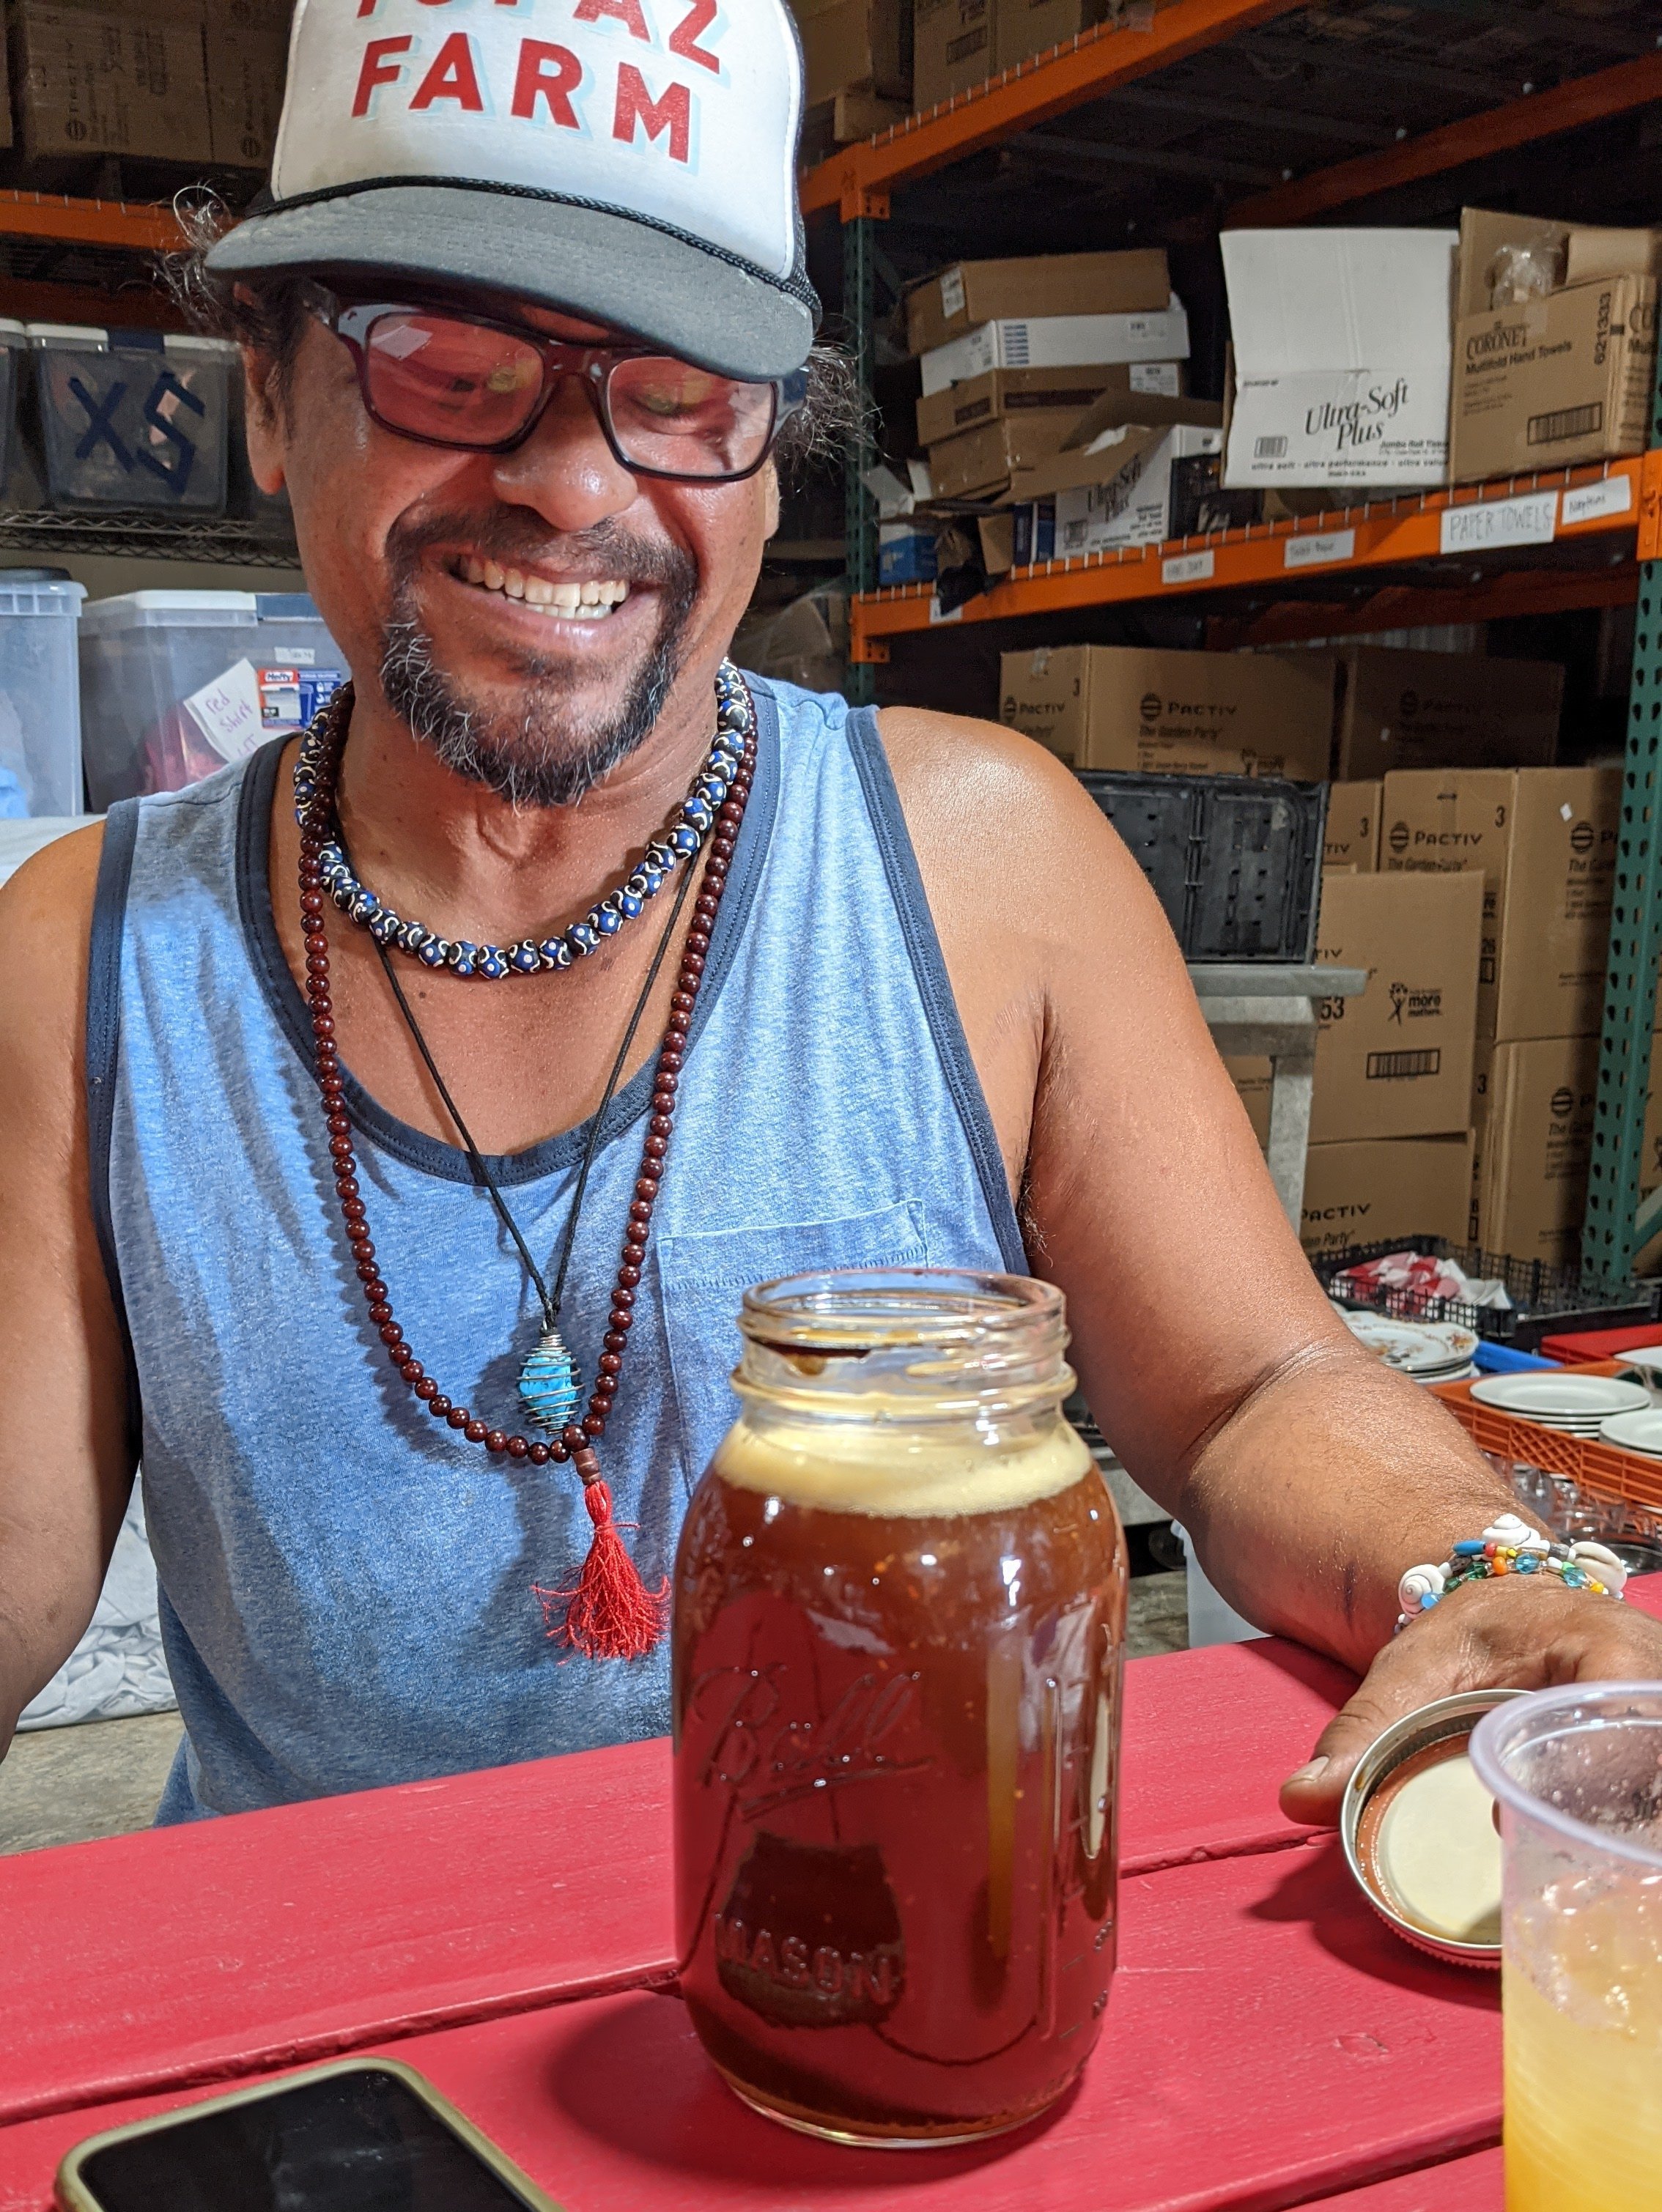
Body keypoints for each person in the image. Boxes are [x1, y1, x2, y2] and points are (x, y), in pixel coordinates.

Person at [1, 0, 1657, 1827]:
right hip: (309, 2048)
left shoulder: (984, 867)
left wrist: (1485, 1569)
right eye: (450, 362)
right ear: (264, 391)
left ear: (773, 449)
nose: (573, 483)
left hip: (892, 1975)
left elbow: (1253, 1384)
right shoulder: (88, 957)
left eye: (681, 393)